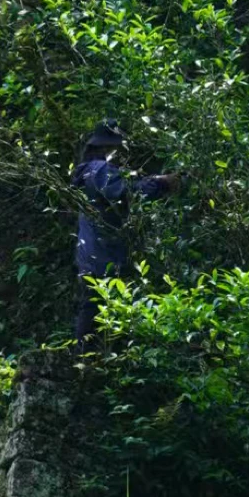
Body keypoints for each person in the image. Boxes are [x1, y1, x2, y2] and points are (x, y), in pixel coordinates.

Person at [72, 119, 179, 349]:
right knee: (95, 307)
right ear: (108, 147)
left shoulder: (90, 171)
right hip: (101, 256)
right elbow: (126, 192)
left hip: (93, 253)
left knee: (98, 309)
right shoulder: (99, 170)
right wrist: (161, 184)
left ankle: (91, 361)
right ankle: (84, 361)